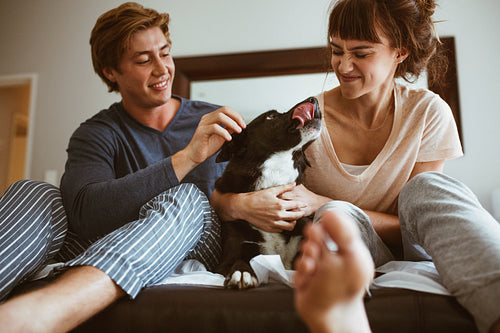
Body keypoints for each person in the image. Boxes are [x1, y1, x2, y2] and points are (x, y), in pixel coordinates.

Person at [212, 0, 500, 332]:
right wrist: (240, 203)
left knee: (427, 189)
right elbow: (226, 195)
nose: (344, 65)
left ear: (400, 53)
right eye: (337, 51)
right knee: (335, 218)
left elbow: (417, 225)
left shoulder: (429, 113)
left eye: (361, 54)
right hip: (347, 245)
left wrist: (322, 202)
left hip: (409, 248)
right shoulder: (309, 122)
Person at [0, 2, 249, 332]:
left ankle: (54, 309)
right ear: (110, 72)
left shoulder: (214, 119)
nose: (162, 69)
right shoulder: (95, 133)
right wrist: (188, 156)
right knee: (32, 190)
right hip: (107, 241)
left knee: (187, 197)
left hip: (195, 243)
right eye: (144, 60)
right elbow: (85, 215)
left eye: (165, 53)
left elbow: (255, 191)